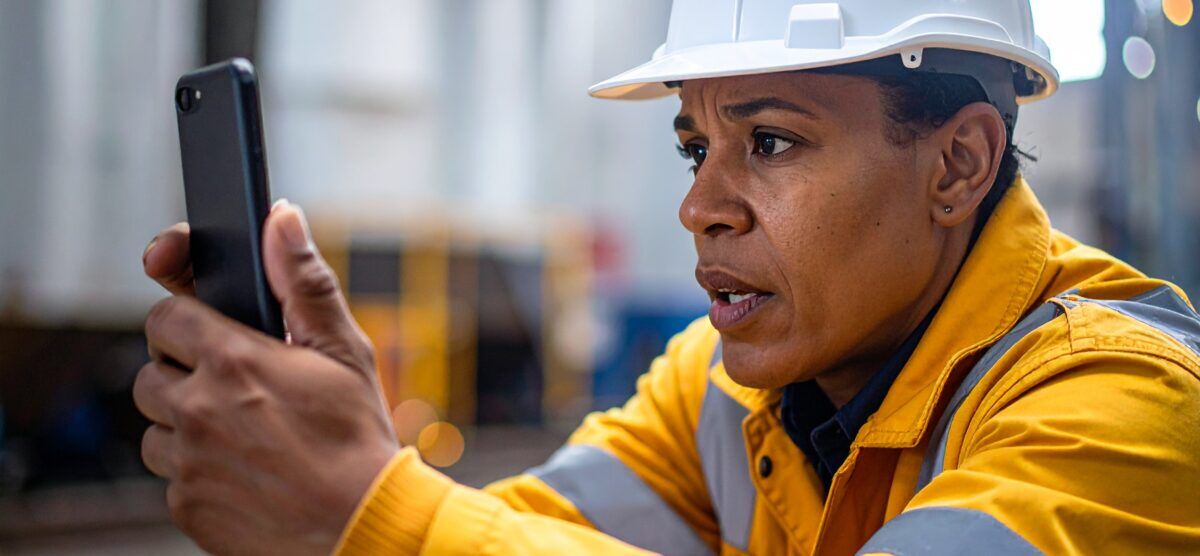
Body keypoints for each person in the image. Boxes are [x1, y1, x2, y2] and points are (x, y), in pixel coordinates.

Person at [134, 1, 1200, 554]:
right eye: (697, 148)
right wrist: (336, 468)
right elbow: (521, 531)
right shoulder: (720, 390)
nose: (702, 204)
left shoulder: (1124, 411)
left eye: (771, 142)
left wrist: (371, 510)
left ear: (958, 163)